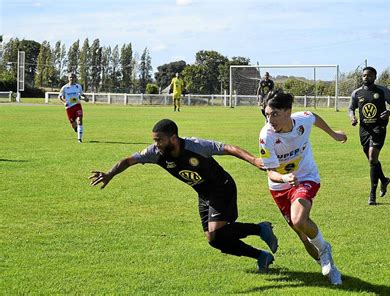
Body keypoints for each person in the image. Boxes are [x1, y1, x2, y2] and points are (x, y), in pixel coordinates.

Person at [89, 119, 279, 272]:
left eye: (159, 140)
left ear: (173, 138)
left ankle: (260, 229)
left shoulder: (196, 146)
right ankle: (261, 255)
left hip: (222, 188)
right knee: (213, 240)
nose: (156, 144)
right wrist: (109, 174)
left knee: (216, 232)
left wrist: (253, 160)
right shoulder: (155, 153)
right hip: (203, 194)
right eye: (154, 140)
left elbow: (227, 148)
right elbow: (129, 160)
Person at [258, 90, 347, 285]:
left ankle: (324, 250)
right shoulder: (266, 136)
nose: (269, 119)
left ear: (288, 112)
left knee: (299, 219)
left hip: (306, 177)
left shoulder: (303, 119)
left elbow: (314, 118)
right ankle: (330, 264)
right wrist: (283, 177)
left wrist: (334, 134)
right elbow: (270, 172)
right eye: (267, 114)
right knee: (302, 235)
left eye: (274, 114)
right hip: (279, 186)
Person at [349, 66, 390, 205]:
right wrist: (352, 117)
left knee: (372, 158)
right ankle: (384, 179)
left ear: (375, 77)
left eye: (369, 75)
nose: (366, 77)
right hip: (364, 129)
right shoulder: (357, 93)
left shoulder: (382, 91)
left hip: (379, 127)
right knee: (373, 161)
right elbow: (351, 108)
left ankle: (372, 195)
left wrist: (389, 111)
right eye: (364, 75)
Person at [58, 73, 89, 143]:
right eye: (70, 77)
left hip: (77, 105)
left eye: (73, 77)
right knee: (73, 124)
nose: (72, 79)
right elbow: (60, 97)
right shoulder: (64, 88)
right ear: (68, 78)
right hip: (69, 107)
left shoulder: (78, 86)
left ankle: (79, 139)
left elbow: (81, 94)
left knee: (80, 120)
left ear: (75, 78)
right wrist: (64, 102)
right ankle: (76, 129)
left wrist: (85, 98)